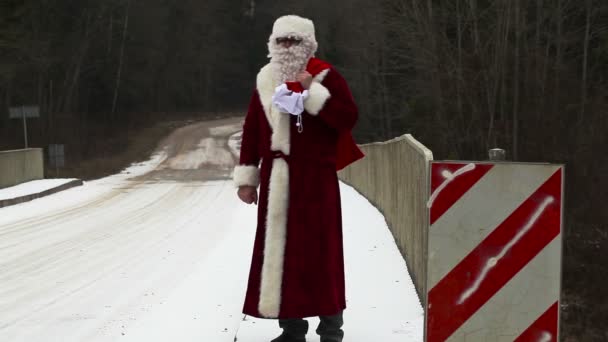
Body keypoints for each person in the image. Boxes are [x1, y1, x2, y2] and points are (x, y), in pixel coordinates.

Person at [233, 14, 363, 342]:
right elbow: (251, 130)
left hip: (315, 180)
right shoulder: (265, 79)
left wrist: (311, 94)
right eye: (281, 41)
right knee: (282, 254)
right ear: (272, 45)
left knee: (322, 254)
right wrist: (248, 177)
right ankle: (291, 329)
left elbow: (348, 117)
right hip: (277, 180)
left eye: (294, 41)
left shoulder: (325, 76)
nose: (287, 47)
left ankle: (331, 330)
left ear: (308, 45)